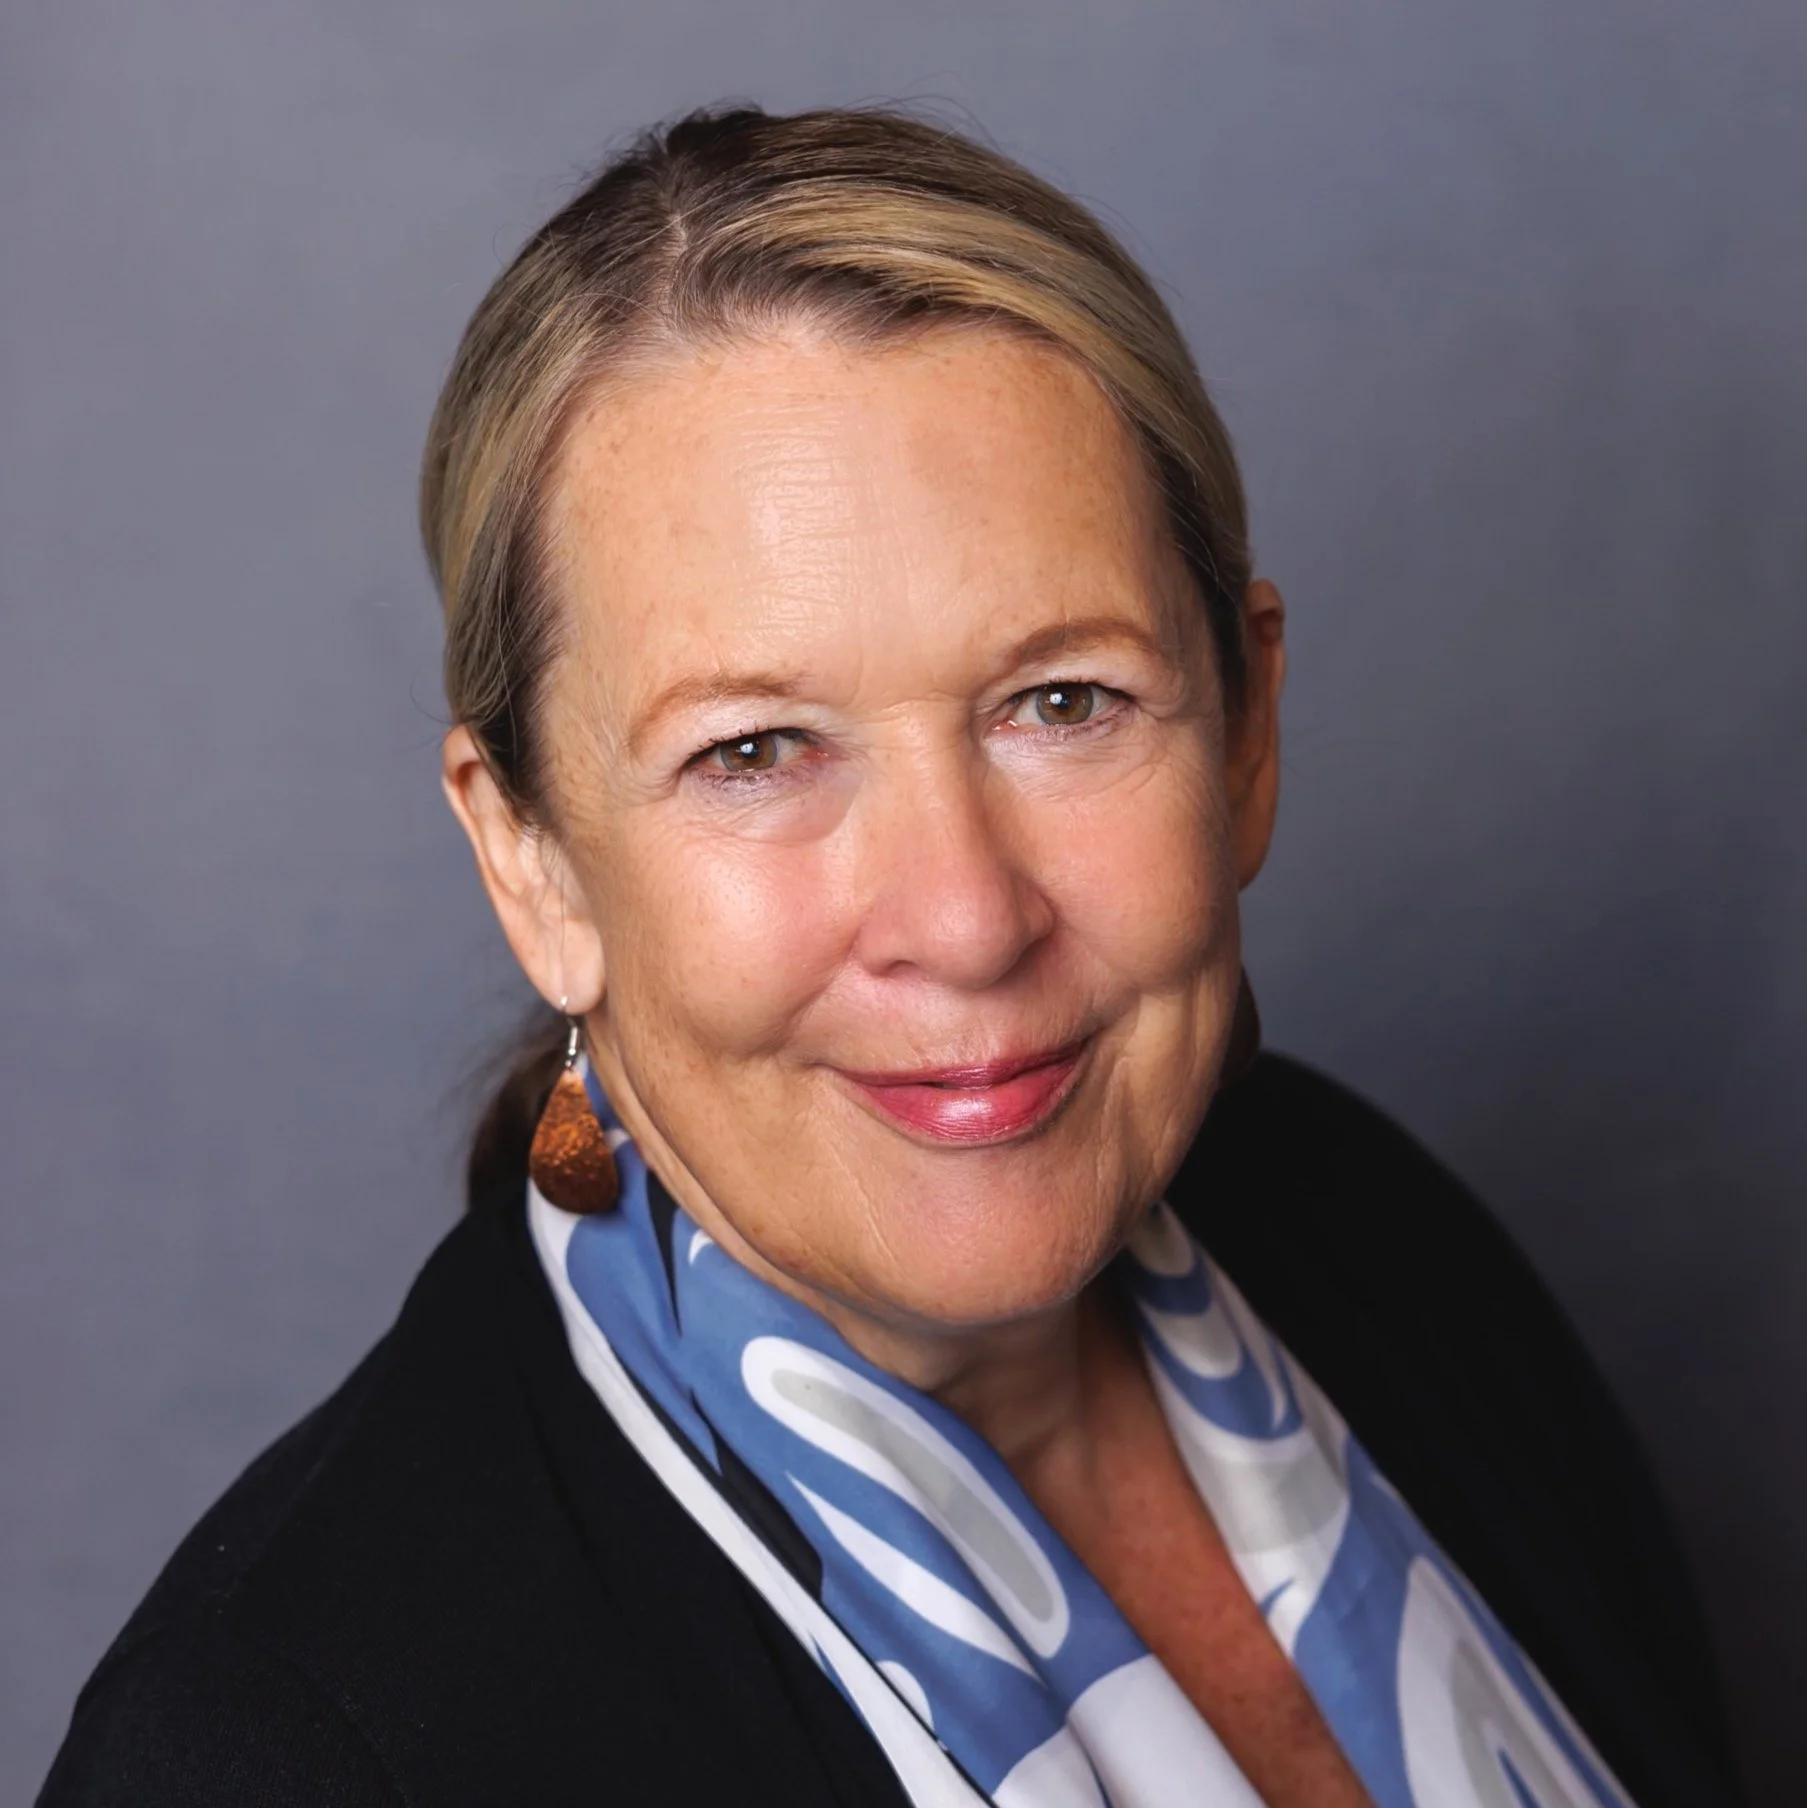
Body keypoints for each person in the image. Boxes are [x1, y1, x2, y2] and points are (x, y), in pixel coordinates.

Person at [38, 105, 1742, 1808]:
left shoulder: (1374, 1243)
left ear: (1243, 737)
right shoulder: (283, 1750)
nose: (963, 917)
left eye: (1061, 703)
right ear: (530, 857)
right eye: (757, 752)